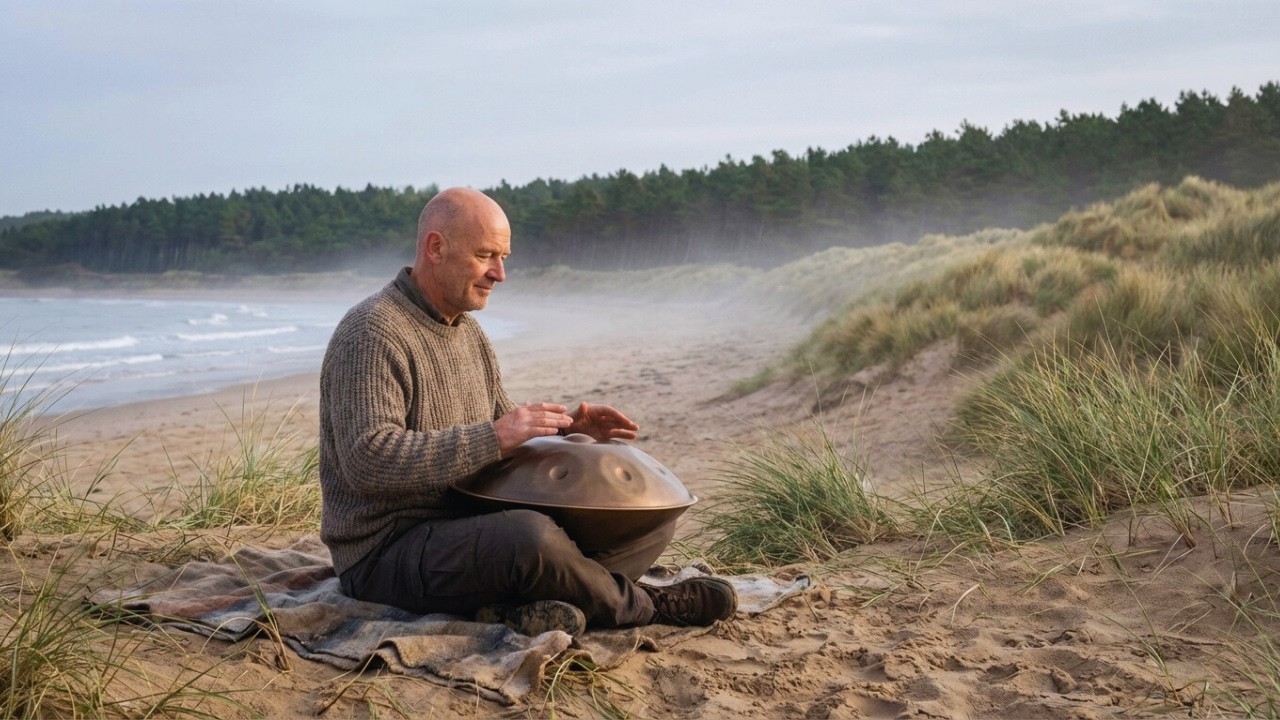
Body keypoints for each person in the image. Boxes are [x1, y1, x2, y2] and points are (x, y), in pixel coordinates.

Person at [319, 187, 736, 636]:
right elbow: (368, 460)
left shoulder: (469, 334)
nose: (500, 273)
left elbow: (503, 428)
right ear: (436, 247)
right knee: (530, 538)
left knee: (650, 515)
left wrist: (567, 431)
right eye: (485, 255)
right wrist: (495, 436)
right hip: (387, 551)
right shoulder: (371, 332)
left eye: (504, 256)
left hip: (466, 526)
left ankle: (525, 604)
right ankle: (648, 605)